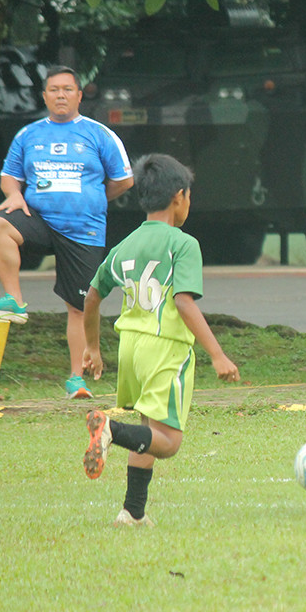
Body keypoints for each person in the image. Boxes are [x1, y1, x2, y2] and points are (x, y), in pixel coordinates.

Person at [81, 153, 240, 527]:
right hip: (166, 347)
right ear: (179, 196)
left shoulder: (125, 245)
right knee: (167, 442)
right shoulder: (182, 244)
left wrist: (92, 348)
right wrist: (217, 355)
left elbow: (91, 297)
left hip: (131, 347)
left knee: (148, 432)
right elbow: (183, 302)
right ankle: (110, 430)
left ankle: (132, 512)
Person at [0, 65, 133, 400]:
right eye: (54, 90)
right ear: (44, 96)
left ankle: (77, 380)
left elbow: (124, 179)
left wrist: (94, 200)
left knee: (79, 307)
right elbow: (9, 176)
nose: (61, 95)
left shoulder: (98, 134)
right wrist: (14, 194)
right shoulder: (28, 135)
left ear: (78, 95)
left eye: (67, 89)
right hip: (39, 219)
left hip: (83, 229)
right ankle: (14, 301)